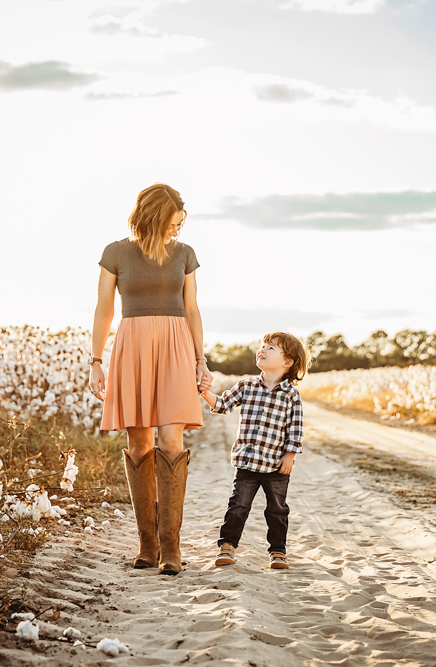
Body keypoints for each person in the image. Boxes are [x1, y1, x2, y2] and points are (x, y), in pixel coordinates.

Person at [89, 184, 214, 576]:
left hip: (177, 345)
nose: (178, 229)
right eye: (174, 222)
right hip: (132, 345)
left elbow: (192, 309)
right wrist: (95, 360)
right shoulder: (116, 252)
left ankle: (171, 548)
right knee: (139, 442)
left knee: (171, 440)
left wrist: (200, 359)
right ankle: (148, 544)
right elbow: (104, 309)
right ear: (157, 216)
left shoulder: (185, 254)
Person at [199, 332, 310, 570]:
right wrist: (205, 392)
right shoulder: (246, 385)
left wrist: (289, 455)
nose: (262, 349)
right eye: (262, 346)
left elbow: (296, 427)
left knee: (277, 510)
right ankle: (227, 546)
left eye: (271, 348)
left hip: (275, 465)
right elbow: (222, 404)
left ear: (288, 362)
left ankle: (278, 552)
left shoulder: (291, 394)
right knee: (238, 506)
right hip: (247, 462)